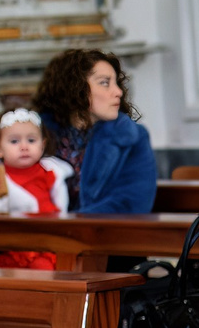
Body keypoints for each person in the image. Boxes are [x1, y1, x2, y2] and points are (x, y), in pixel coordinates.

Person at [32, 49, 156, 215]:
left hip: (106, 236)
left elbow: (132, 204)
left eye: (116, 83)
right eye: (105, 83)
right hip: (44, 234)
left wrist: (71, 224)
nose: (118, 91)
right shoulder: (35, 135)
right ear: (76, 87)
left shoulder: (132, 137)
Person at [0, 108, 72, 270]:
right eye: (14, 141)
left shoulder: (50, 172)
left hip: (49, 239)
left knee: (47, 269)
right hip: (14, 244)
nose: (24, 146)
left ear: (42, 145)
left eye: (31, 140)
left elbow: (61, 202)